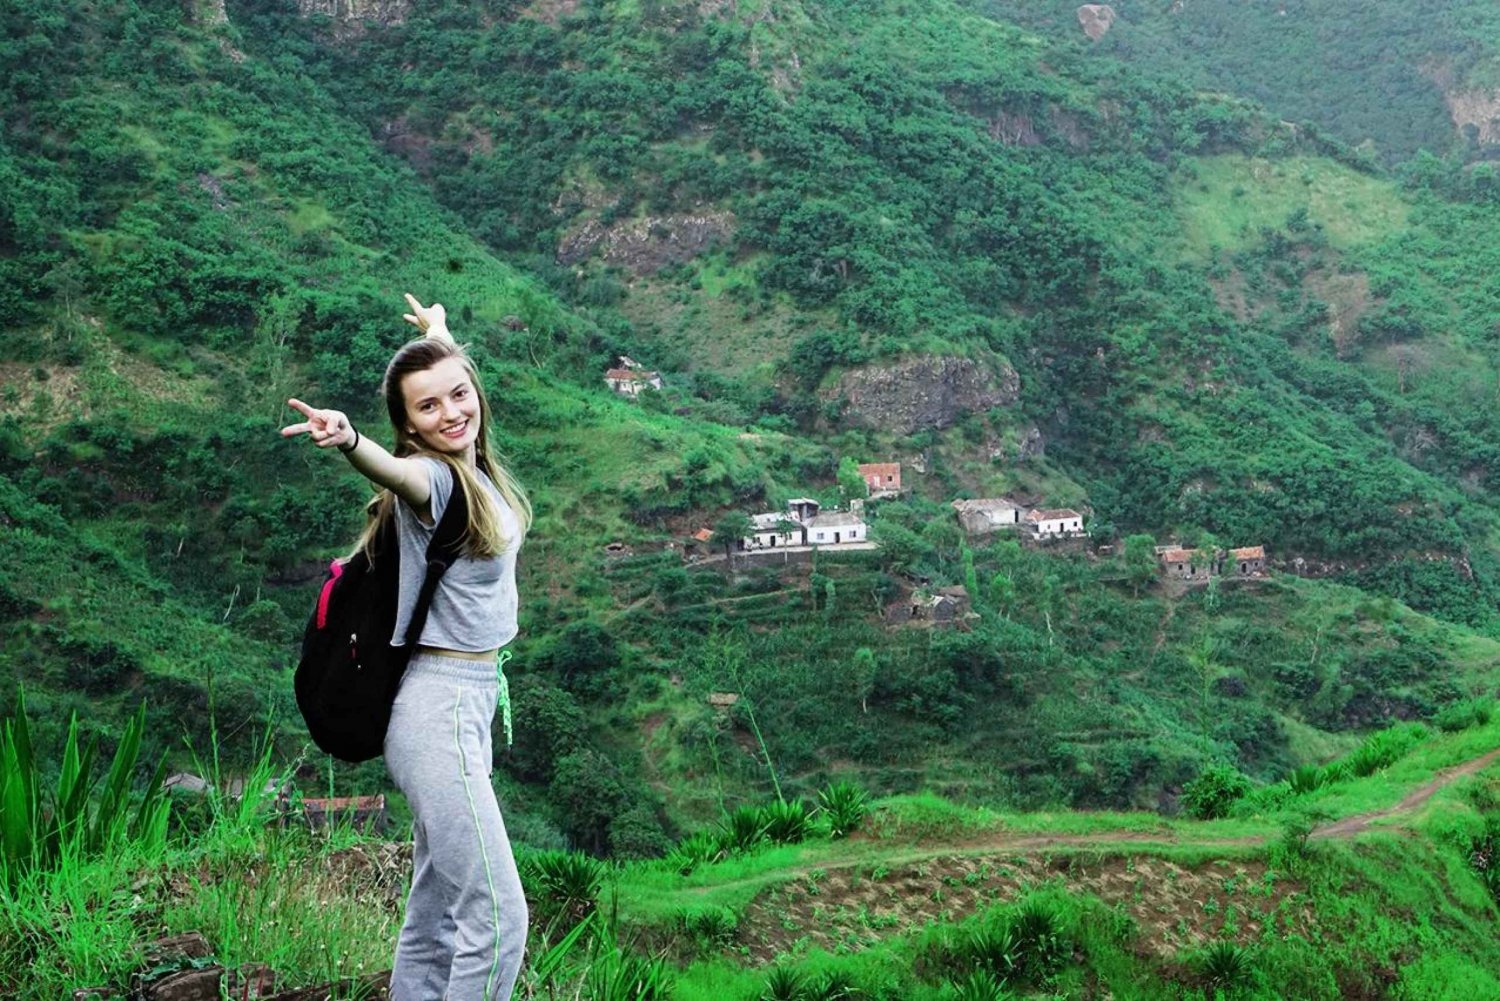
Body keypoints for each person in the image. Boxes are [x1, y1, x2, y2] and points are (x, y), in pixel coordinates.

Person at [280, 293, 531, 1000]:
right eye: (429, 408)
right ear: (408, 427)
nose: (451, 412)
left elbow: (453, 384)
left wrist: (440, 335)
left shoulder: (474, 468)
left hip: (466, 705)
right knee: (499, 914)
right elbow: (397, 472)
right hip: (439, 709)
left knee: (436, 912)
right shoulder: (436, 481)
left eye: (459, 395)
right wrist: (352, 441)